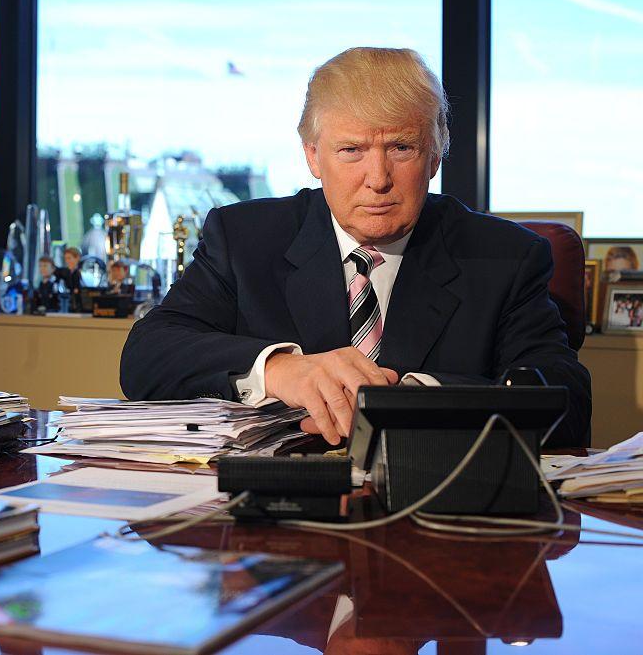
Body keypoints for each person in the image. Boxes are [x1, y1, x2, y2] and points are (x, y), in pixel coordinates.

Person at [120, 47, 590, 447]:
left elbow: (567, 400)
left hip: (435, 511)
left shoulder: (505, 257)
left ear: (435, 157)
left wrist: (415, 399)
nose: (378, 179)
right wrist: (281, 370)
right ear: (312, 156)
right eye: (352, 151)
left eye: (401, 148)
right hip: (279, 515)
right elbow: (147, 358)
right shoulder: (244, 238)